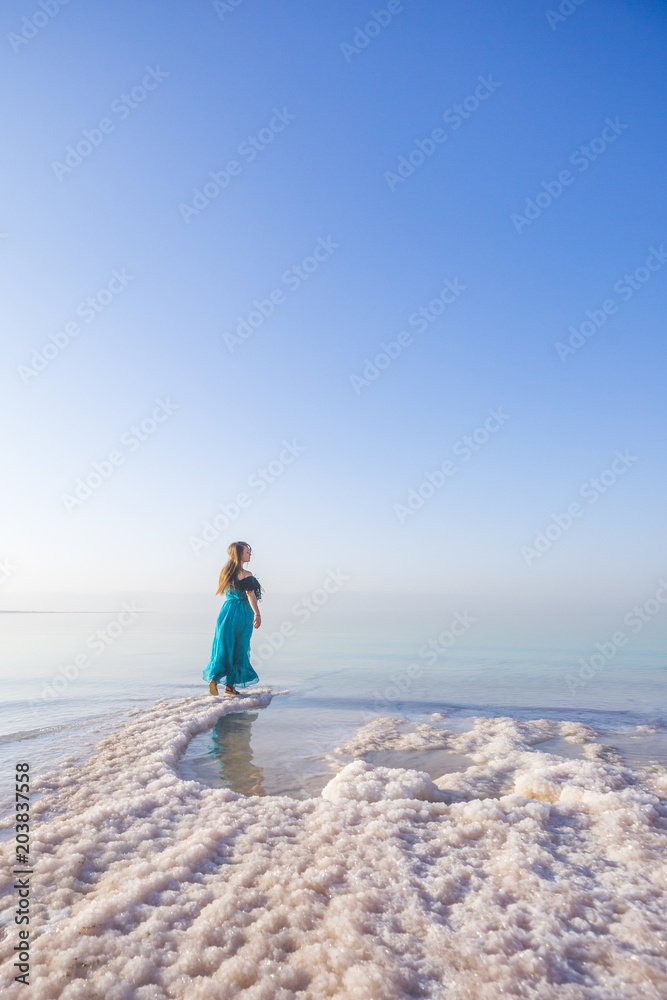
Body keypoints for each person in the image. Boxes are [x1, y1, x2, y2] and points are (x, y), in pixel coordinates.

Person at [203, 541, 262, 697]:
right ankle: (230, 684)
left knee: (223, 646)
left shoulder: (225, 572)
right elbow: (250, 595)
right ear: (239, 554)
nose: (250, 554)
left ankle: (214, 680)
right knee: (240, 649)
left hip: (226, 611)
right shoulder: (246, 575)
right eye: (247, 551)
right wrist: (257, 613)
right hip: (242, 613)